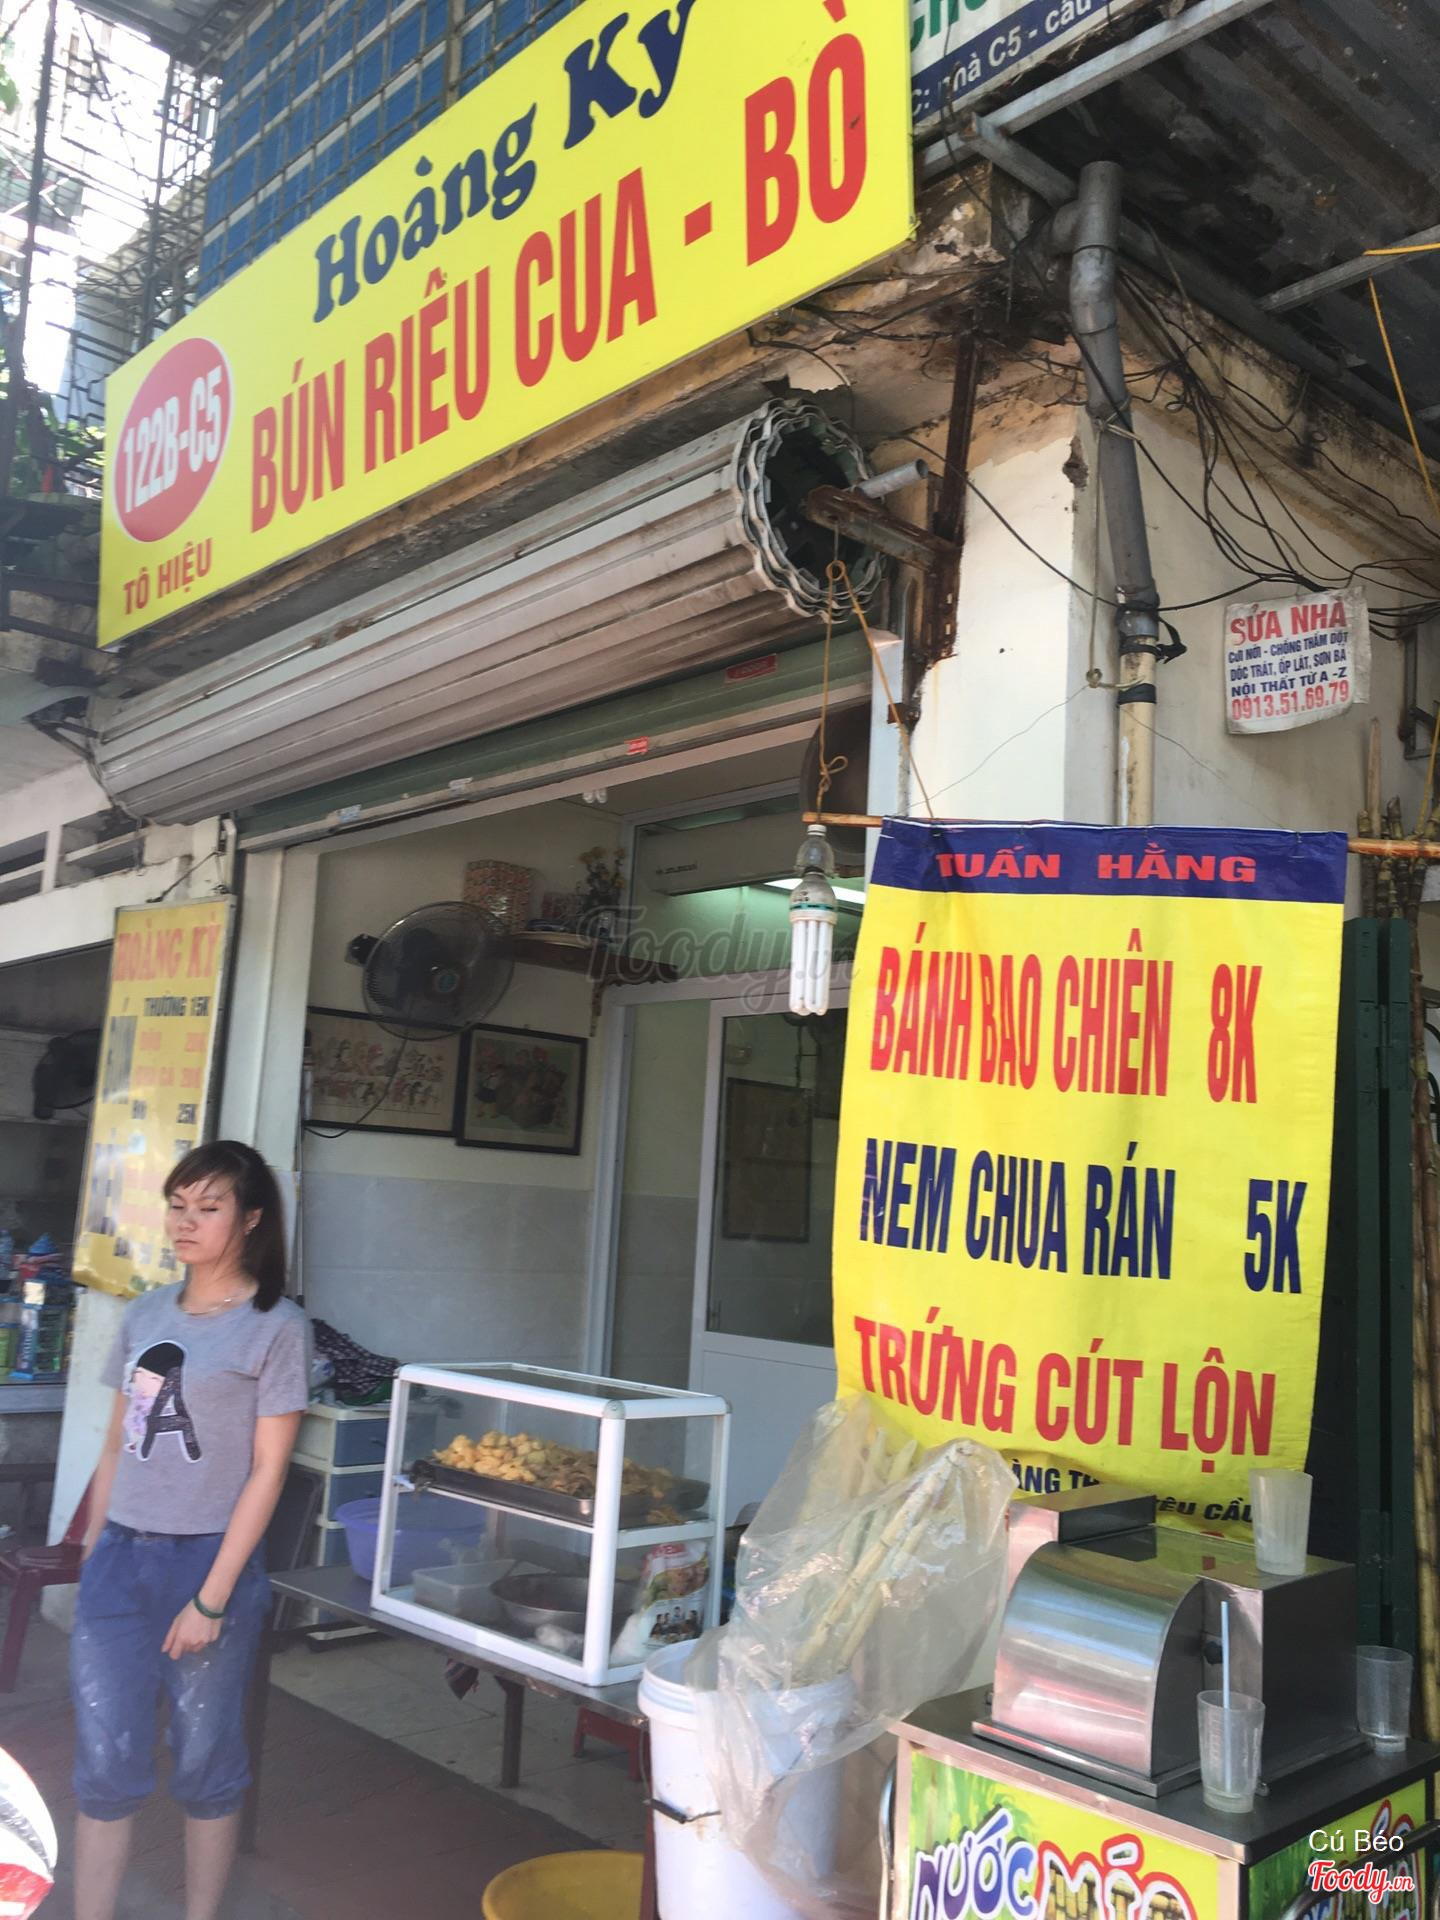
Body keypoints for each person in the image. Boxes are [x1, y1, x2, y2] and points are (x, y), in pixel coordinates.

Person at [71, 1141, 309, 1920]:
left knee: (206, 1759)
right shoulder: (144, 1313)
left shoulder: (275, 1327)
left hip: (210, 1562)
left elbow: (268, 1471)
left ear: (251, 1219)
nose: (186, 1221)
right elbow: (118, 1441)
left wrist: (211, 1598)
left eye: (208, 1207)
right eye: (178, 1205)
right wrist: (95, 1546)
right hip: (121, 1557)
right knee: (104, 1759)